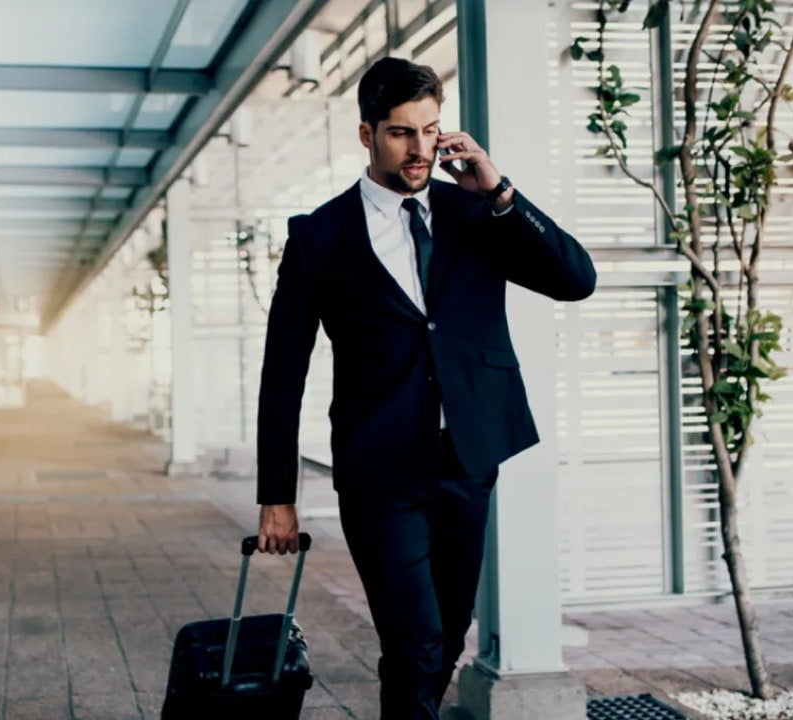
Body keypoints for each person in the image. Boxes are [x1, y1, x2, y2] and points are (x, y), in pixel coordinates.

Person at [255, 56, 596, 719]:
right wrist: (277, 498)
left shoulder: (476, 213)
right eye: (401, 133)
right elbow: (282, 372)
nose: (420, 149)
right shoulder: (319, 237)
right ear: (367, 135)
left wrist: (499, 192)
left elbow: (575, 279)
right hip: (380, 469)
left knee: (446, 636)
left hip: (467, 459)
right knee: (414, 641)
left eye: (431, 130)